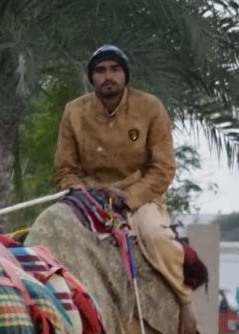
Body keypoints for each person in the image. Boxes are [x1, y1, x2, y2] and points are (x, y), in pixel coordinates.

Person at [54, 43, 189, 302]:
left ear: (125, 75)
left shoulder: (150, 107)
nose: (108, 76)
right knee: (48, 229)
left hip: (137, 199)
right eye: (100, 70)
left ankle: (184, 302)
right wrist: (82, 192)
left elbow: (164, 168)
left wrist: (128, 198)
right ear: (92, 77)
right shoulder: (74, 111)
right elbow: (64, 169)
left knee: (156, 236)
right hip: (87, 199)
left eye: (115, 69)